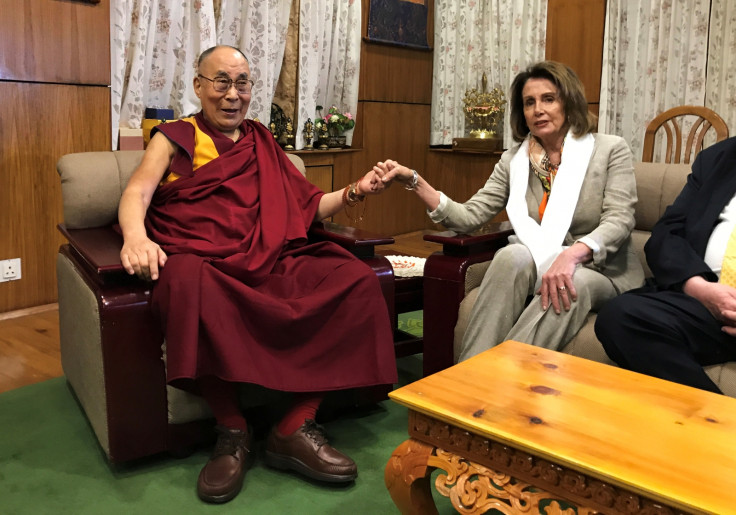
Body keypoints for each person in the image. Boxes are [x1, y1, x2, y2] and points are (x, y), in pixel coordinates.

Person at [118, 45, 397, 504]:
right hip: (206, 261)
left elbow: (307, 205)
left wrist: (355, 190)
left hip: (268, 256)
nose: (233, 94)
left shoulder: (260, 140)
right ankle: (231, 429)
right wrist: (135, 237)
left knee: (357, 279)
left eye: (242, 82)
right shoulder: (174, 137)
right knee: (186, 283)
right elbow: (138, 190)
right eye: (222, 82)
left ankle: (293, 426)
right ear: (199, 87)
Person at [378, 61, 644, 361]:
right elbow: (469, 217)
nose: (538, 109)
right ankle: (470, 369)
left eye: (548, 99)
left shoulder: (610, 149)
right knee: (510, 255)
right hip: (541, 261)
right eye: (529, 102)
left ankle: (498, 374)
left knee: (572, 281)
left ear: (568, 103)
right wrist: (415, 181)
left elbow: (620, 219)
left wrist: (571, 255)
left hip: (601, 271)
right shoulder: (514, 160)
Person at [595, 137, 736, 395]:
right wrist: (698, 288)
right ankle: (718, 425)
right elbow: (666, 233)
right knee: (620, 316)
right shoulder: (719, 158)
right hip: (706, 302)